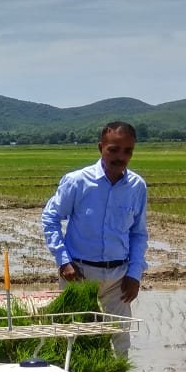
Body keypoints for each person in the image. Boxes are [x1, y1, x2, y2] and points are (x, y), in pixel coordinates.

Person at [41, 121, 148, 354]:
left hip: (119, 278)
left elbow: (138, 233)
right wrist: (63, 261)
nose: (120, 157)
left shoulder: (137, 187)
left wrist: (134, 273)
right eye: (113, 149)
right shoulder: (78, 181)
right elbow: (51, 218)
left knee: (120, 338)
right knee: (72, 336)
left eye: (127, 151)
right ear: (101, 147)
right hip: (78, 274)